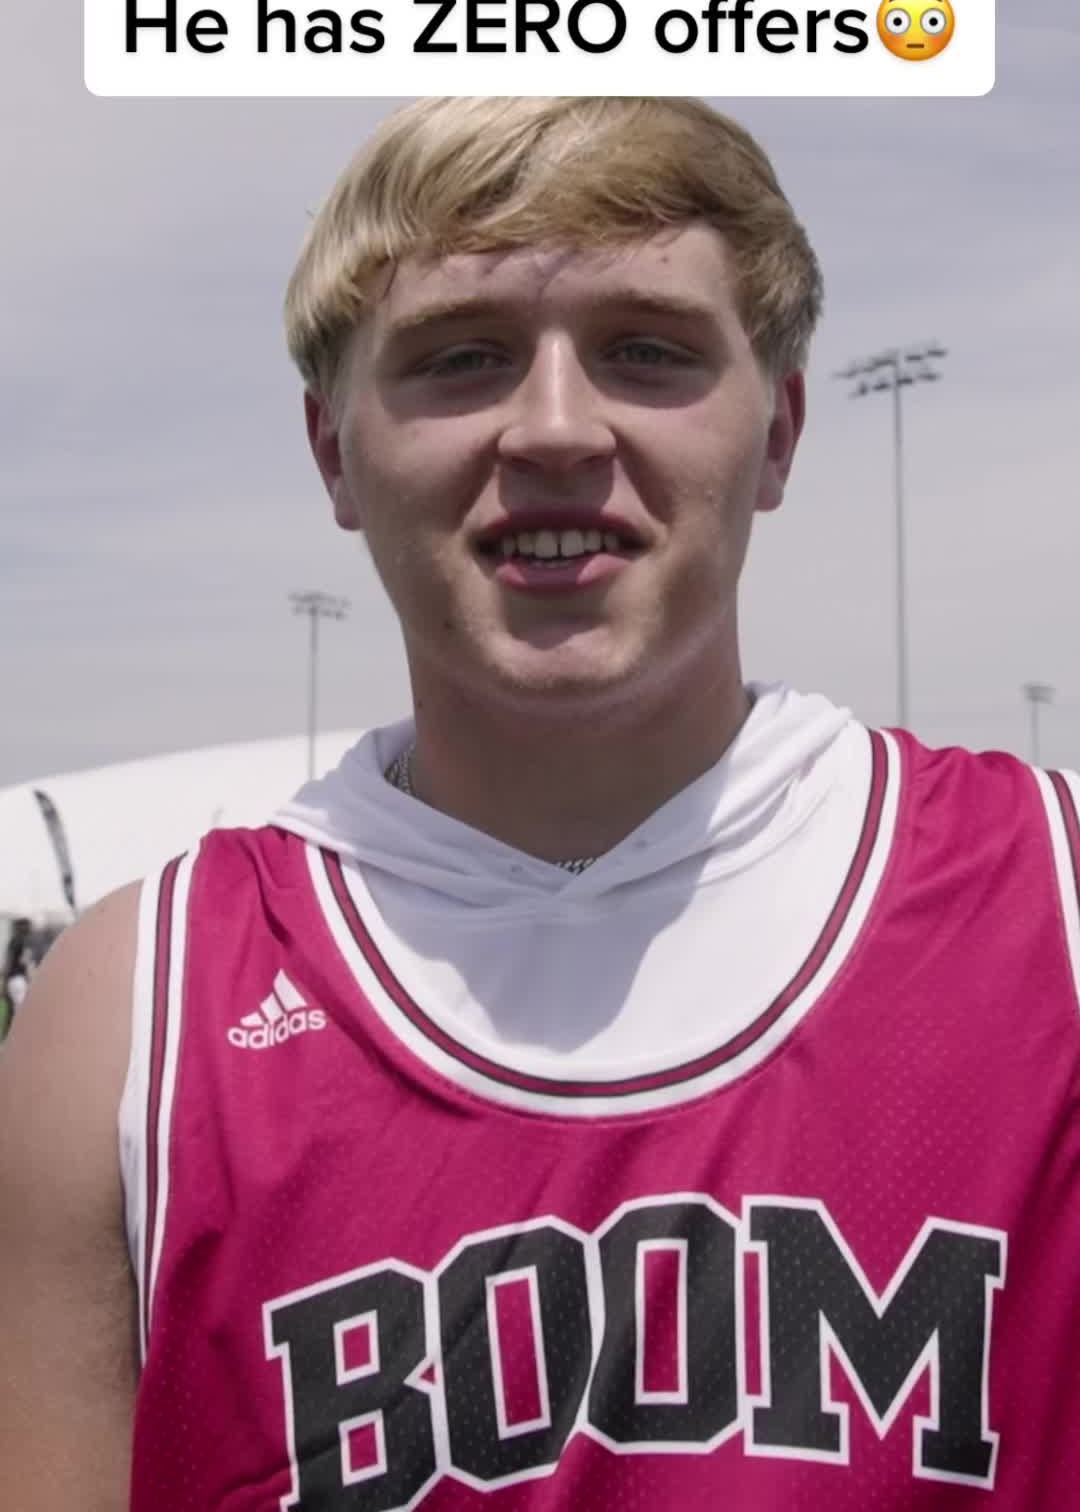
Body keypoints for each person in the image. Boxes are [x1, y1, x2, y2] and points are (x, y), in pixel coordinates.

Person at [1, 96, 1078, 1510]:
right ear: (332, 450)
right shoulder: (134, 1018)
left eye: (648, 349)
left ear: (781, 431)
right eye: (462, 358)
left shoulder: (1052, 905)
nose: (556, 428)